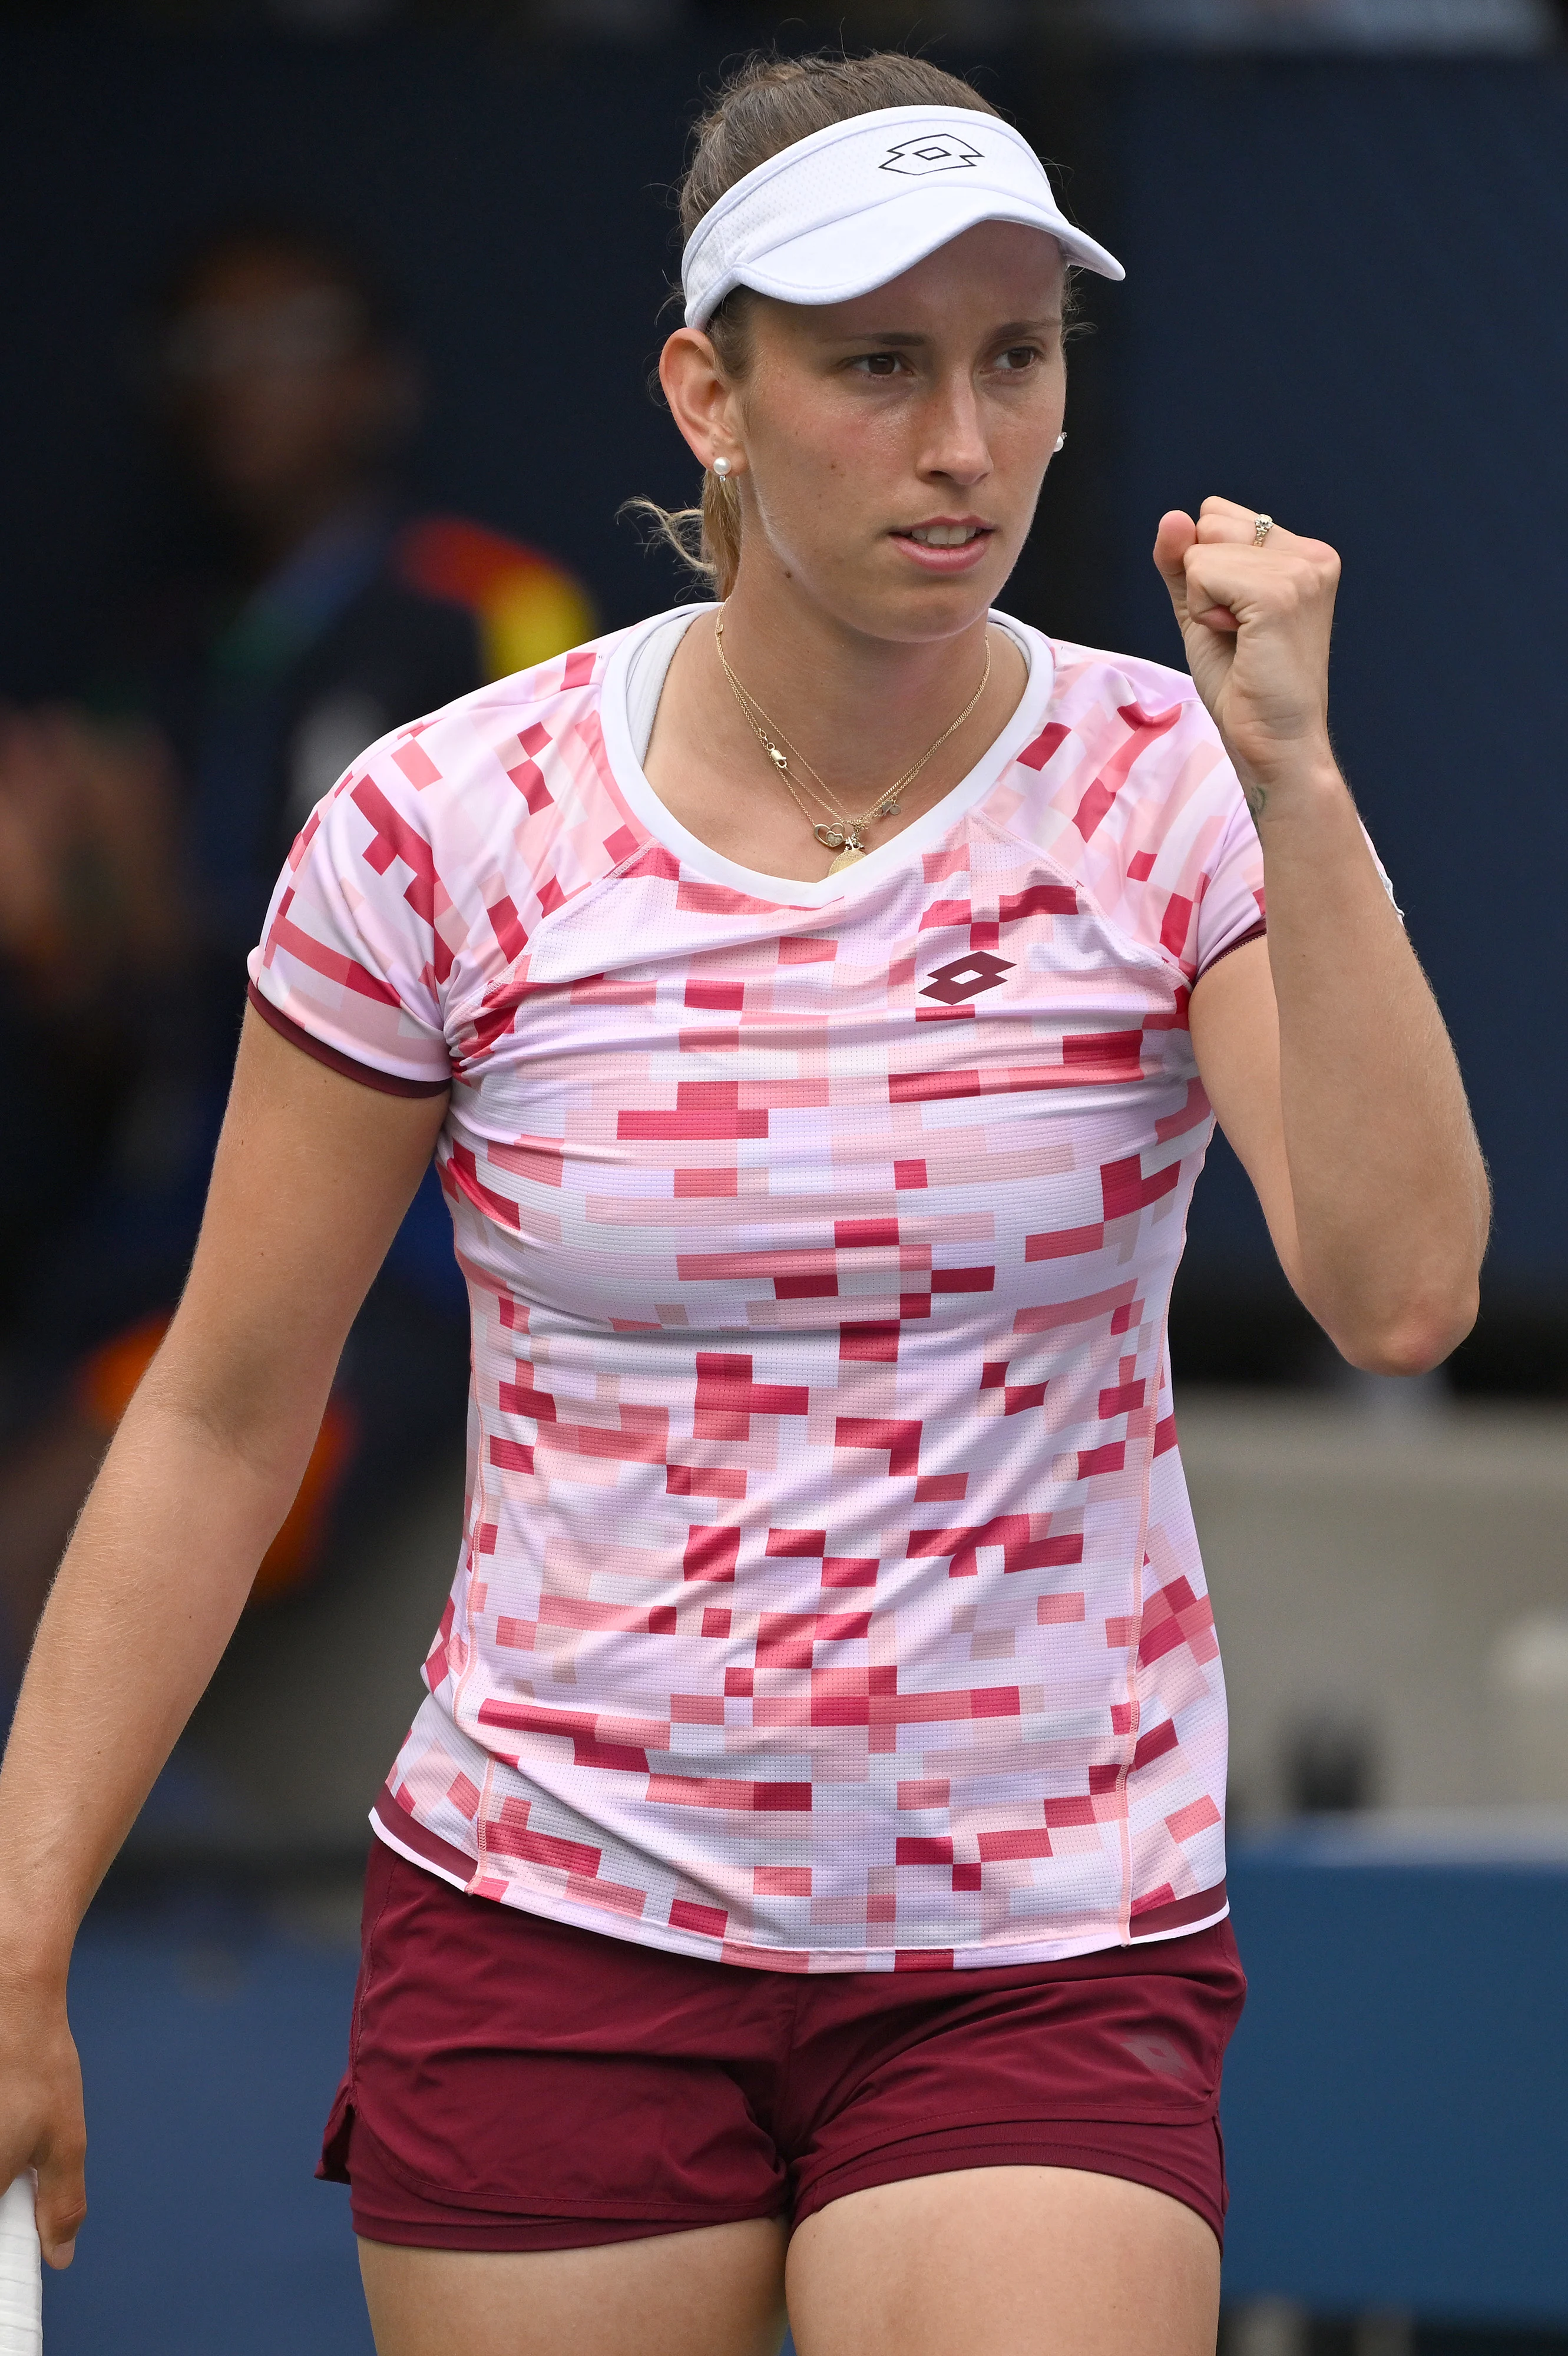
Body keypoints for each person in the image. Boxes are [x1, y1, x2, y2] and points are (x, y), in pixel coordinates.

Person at [0, 48, 1487, 2356]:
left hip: (1034, 1930)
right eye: (875, 364)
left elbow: (1396, 1291)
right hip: (547, 1915)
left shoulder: (1172, 781)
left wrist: (1289, 771)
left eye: (1014, 357)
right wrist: (19, 1916)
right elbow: (216, 1412)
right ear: (707, 389)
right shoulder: (437, 824)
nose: (962, 438)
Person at [0, 226, 594, 1668]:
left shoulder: (483, 611)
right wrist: (77, 958)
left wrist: (189, 933)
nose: (243, 384)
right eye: (208, 349)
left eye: (289, 340)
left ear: (375, 382)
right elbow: (138, 1039)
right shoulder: (154, 652)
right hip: (146, 1235)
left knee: (83, 1514)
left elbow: (555, 958)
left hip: (388, 1264)